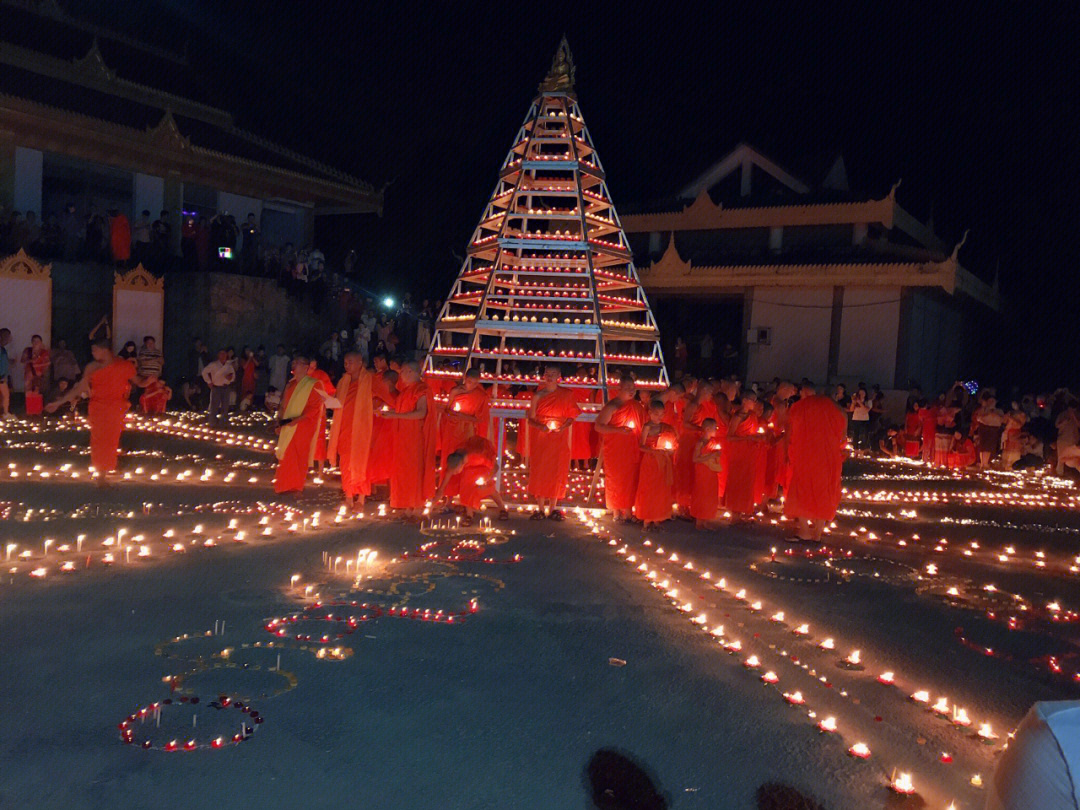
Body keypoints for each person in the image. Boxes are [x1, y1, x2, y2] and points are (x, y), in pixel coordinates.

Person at [45, 339, 140, 481]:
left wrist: (150, 381)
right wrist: (59, 402)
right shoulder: (92, 367)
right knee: (98, 440)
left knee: (112, 439)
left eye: (95, 350)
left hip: (116, 407)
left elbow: (138, 381)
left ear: (105, 350)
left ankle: (109, 466)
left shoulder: (123, 365)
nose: (92, 353)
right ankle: (101, 474)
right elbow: (80, 388)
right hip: (98, 407)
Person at [785, 381, 848, 541]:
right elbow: (842, 439)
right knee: (825, 491)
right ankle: (817, 534)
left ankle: (804, 531)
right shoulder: (840, 411)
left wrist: (788, 452)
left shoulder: (801, 406)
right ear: (834, 395)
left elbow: (791, 432)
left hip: (805, 454)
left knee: (801, 489)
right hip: (829, 456)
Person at [273, 356, 340, 496]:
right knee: (286, 453)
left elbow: (314, 407)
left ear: (306, 367)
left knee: (299, 455)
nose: (294, 365)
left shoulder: (314, 383)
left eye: (297, 363)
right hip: (288, 424)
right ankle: (284, 485)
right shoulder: (290, 384)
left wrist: (297, 419)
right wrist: (280, 421)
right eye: (293, 363)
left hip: (304, 425)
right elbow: (284, 405)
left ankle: (296, 487)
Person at [382, 361, 437, 519]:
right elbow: (403, 409)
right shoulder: (406, 390)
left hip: (414, 437)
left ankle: (417, 507)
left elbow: (420, 413)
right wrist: (388, 412)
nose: (401, 375)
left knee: (414, 471)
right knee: (402, 471)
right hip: (402, 437)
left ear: (412, 372)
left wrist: (395, 415)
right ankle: (406, 507)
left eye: (403, 371)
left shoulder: (422, 389)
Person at [526, 365, 582, 520]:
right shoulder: (538, 396)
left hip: (559, 437)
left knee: (558, 469)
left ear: (559, 375)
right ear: (543, 376)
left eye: (553, 374)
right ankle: (540, 508)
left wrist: (564, 425)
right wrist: (540, 426)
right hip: (541, 438)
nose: (549, 376)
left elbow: (572, 415)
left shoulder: (566, 394)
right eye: (547, 373)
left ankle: (553, 508)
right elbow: (530, 419)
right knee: (540, 469)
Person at [327, 352, 374, 512]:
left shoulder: (369, 380)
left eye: (351, 362)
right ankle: (348, 498)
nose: (347, 365)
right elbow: (339, 403)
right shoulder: (343, 381)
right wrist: (328, 401)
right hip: (344, 427)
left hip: (361, 429)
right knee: (345, 464)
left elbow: (382, 397)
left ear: (360, 362)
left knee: (361, 463)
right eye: (346, 363)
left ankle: (360, 499)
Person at [594, 375, 645, 522]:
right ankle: (617, 512)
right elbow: (598, 426)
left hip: (632, 448)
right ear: (619, 389)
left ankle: (628, 512)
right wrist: (619, 430)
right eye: (627, 388)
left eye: (633, 388)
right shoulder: (612, 406)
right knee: (616, 480)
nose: (631, 391)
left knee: (630, 480)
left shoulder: (636, 406)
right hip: (616, 450)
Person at [431, 437, 509, 524]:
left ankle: (502, 508)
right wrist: (433, 502)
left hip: (483, 466)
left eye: (456, 471)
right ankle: (469, 514)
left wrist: (486, 480)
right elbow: (444, 484)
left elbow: (495, 467)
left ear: (462, 464)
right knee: (466, 486)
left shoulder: (477, 456)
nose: (455, 473)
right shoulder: (454, 461)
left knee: (488, 489)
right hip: (468, 468)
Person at [633, 399, 677, 528]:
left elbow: (672, 443)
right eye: (656, 414)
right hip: (650, 461)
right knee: (648, 489)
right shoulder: (647, 426)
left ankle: (658, 518)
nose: (659, 417)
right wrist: (653, 450)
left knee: (660, 490)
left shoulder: (665, 428)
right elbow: (641, 446)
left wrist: (669, 450)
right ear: (650, 413)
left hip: (662, 462)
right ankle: (647, 519)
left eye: (662, 414)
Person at [441, 367, 490, 458]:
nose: (472, 386)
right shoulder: (455, 391)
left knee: (465, 456)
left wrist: (463, 417)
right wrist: (450, 416)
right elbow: (447, 411)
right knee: (450, 455)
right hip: (452, 428)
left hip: (468, 430)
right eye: (470, 382)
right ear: (465, 379)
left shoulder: (481, 396)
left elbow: (480, 419)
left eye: (476, 383)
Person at [690, 418, 723, 528]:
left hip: (711, 472)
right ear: (708, 429)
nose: (716, 430)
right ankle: (699, 522)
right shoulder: (700, 443)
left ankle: (706, 520)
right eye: (715, 428)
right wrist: (711, 456)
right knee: (701, 494)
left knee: (710, 495)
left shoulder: (713, 442)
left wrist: (717, 456)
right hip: (702, 472)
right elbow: (695, 459)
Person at [201, 349, 236, 424]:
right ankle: (212, 422)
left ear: (226, 355)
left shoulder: (229, 365)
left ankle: (223, 422)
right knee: (214, 405)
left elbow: (233, 376)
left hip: (226, 387)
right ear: (218, 355)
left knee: (225, 406)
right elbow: (204, 372)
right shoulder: (213, 364)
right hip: (216, 387)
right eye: (221, 353)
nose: (223, 355)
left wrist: (230, 378)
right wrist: (209, 381)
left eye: (224, 353)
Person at [0, 327, 11, 419]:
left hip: (3, 377)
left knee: (5, 395)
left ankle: (5, 413)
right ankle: (5, 413)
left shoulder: (3, 349)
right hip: (1, 377)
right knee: (5, 395)